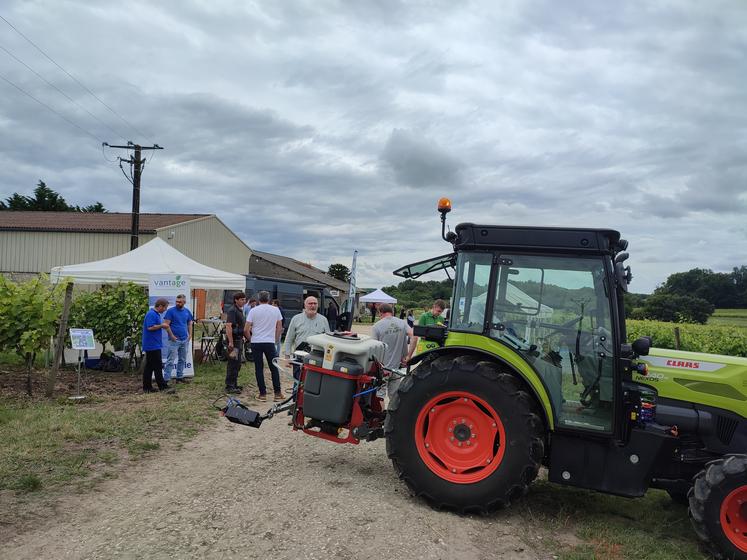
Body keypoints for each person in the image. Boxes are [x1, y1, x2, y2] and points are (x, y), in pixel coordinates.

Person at [246, 290, 284, 402]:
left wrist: (250, 339)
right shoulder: (275, 310)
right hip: (269, 342)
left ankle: (262, 394)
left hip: (256, 342)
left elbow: (246, 328)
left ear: (258, 299)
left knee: (259, 368)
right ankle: (277, 393)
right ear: (268, 299)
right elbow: (279, 327)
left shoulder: (253, 310)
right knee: (274, 367)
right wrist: (276, 339)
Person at [284, 296, 330, 385]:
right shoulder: (296, 319)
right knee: (298, 382)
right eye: (310, 303)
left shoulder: (323, 320)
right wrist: (287, 357)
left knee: (314, 383)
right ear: (305, 305)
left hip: (317, 357)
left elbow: (328, 341)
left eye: (315, 303)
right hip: (299, 356)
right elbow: (289, 338)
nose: (313, 306)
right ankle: (296, 398)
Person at [371, 303, 414, 397]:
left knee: (379, 396)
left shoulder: (376, 326)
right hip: (396, 368)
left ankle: (381, 412)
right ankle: (391, 412)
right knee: (394, 396)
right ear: (392, 312)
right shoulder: (402, 323)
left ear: (380, 313)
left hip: (383, 369)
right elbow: (414, 336)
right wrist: (408, 356)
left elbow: (374, 349)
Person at [141, 298, 173, 393]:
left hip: (153, 344)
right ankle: (163, 387)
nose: (165, 310)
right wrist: (162, 326)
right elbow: (150, 327)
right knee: (158, 366)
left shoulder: (155, 314)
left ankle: (147, 387)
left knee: (149, 367)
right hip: (152, 345)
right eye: (165, 308)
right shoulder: (151, 314)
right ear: (160, 306)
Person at [163, 294, 194, 384]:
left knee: (182, 359)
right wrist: (172, 336)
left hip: (184, 340)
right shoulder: (170, 311)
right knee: (170, 360)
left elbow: (189, 323)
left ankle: (179, 377)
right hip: (174, 340)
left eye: (180, 302)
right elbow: (166, 325)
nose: (177, 303)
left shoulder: (187, 311)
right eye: (176, 301)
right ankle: (166, 380)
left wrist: (190, 334)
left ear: (184, 302)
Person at [225, 292, 247, 394]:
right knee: (233, 363)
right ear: (236, 300)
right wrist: (230, 342)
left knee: (237, 364)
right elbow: (229, 326)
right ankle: (229, 386)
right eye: (241, 299)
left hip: (239, 340)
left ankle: (234, 383)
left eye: (244, 299)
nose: (244, 301)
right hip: (233, 341)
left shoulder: (239, 310)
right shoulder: (232, 310)